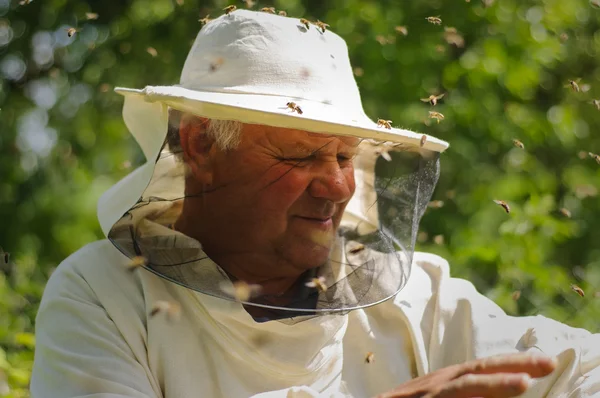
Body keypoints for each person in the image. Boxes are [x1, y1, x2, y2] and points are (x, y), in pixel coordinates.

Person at [30, 9, 599, 398]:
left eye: (346, 157)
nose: (339, 187)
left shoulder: (417, 297)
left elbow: (581, 369)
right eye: (300, 157)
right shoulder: (103, 295)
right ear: (201, 145)